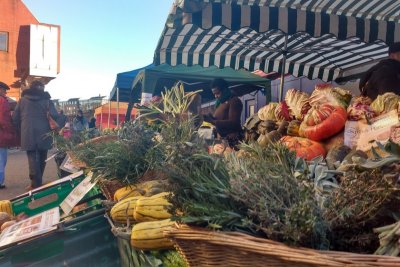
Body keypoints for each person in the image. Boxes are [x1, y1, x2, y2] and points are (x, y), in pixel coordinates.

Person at [12, 80, 59, 189]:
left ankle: (35, 184)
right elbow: (55, 115)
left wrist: (21, 129)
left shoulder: (22, 100)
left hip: (28, 132)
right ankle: (38, 182)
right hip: (44, 133)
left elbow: (15, 118)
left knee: (32, 158)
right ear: (42, 88)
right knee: (43, 157)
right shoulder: (47, 100)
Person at [203, 78, 243, 147]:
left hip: (232, 141)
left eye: (217, 93)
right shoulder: (220, 102)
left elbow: (234, 123)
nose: (216, 96)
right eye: (214, 94)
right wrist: (210, 117)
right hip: (223, 140)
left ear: (225, 90)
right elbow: (221, 118)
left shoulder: (234, 101)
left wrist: (213, 121)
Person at [0, 82, 19, 189]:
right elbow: (4, 119)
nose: (5, 92)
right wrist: (11, 131)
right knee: (1, 159)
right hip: (1, 135)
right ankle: (0, 182)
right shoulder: (2, 101)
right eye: (4, 90)